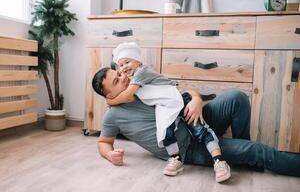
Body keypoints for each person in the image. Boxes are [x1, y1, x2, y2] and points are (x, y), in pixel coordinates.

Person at [92, 67, 300, 178]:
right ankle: (247, 155)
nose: (123, 78)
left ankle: (241, 157)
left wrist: (197, 100)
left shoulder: (141, 83)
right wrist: (110, 154)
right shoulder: (114, 116)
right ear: (108, 95)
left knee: (237, 97)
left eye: (119, 74)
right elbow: (103, 142)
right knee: (257, 151)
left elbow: (179, 91)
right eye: (117, 81)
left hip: (195, 119)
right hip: (188, 147)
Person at [103, 42, 230, 181]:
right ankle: (176, 158)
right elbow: (103, 141)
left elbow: (127, 95)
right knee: (165, 132)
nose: (124, 68)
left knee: (199, 129)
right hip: (165, 106)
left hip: (176, 99)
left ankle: (219, 161)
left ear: (138, 61)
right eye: (121, 66)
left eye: (127, 62)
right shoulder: (133, 83)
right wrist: (110, 154)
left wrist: (111, 101)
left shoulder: (141, 73)